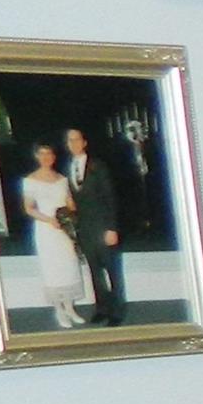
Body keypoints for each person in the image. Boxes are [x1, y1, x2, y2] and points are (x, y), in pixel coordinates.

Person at [17, 143, 88, 327]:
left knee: (69, 266)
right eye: (42, 154)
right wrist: (49, 220)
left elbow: (69, 202)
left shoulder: (62, 179)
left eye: (49, 153)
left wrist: (70, 215)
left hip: (64, 228)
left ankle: (70, 308)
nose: (46, 157)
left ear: (54, 157)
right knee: (53, 269)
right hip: (46, 228)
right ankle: (59, 310)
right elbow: (29, 208)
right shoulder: (30, 180)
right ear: (36, 156)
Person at [61, 125, 122, 326]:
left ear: (84, 142)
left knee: (111, 270)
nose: (74, 144)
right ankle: (101, 308)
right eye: (70, 140)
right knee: (94, 271)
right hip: (84, 228)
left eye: (77, 139)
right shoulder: (68, 168)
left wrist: (111, 228)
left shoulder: (98, 165)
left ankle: (116, 311)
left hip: (103, 227)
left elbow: (110, 197)